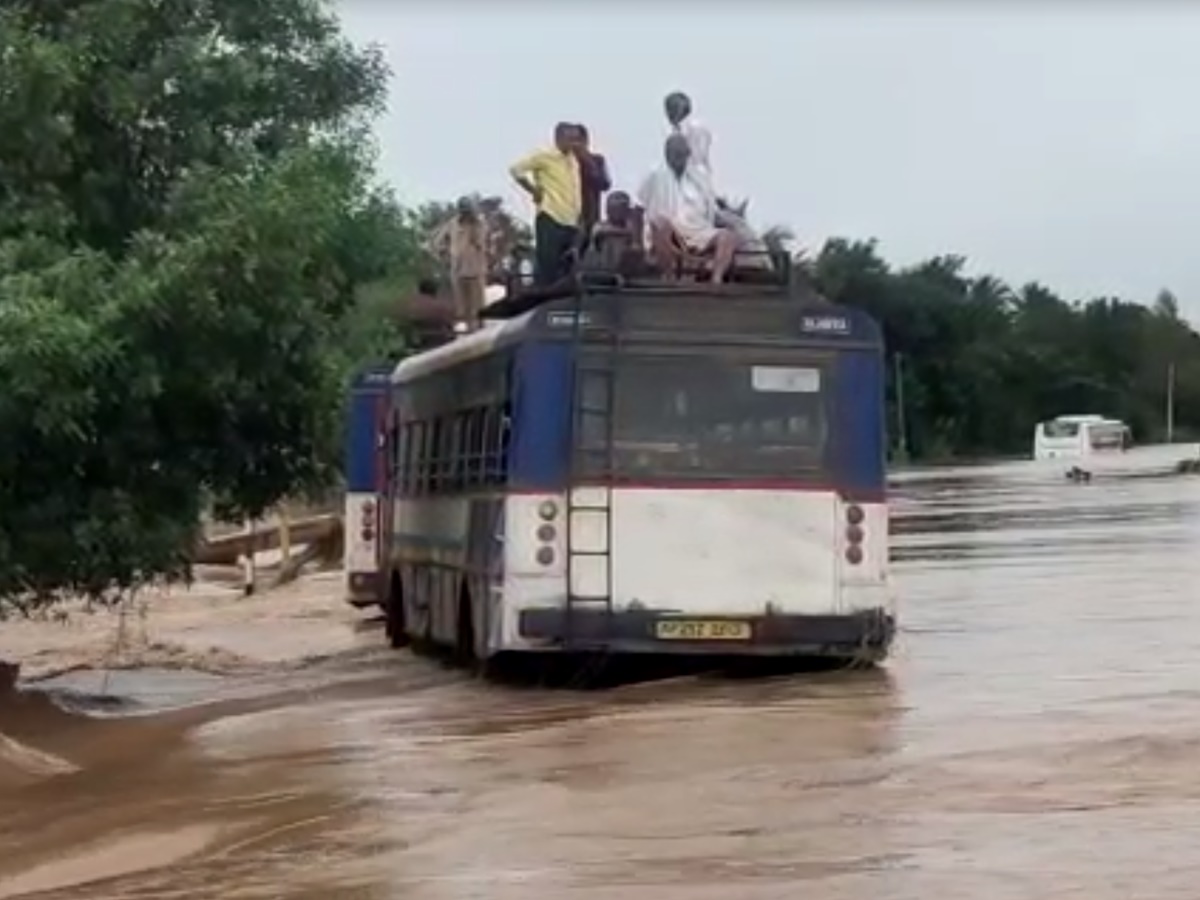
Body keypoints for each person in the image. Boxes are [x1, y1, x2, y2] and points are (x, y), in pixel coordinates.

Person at [638, 134, 737, 283]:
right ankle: (669, 276)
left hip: (697, 230)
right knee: (659, 223)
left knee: (728, 237)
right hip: (668, 230)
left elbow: (712, 208)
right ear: (667, 154)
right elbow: (638, 206)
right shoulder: (654, 175)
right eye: (676, 153)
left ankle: (716, 280)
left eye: (683, 153)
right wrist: (637, 242)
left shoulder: (699, 177)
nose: (680, 158)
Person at [509, 122, 582, 286]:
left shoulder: (573, 160)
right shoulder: (545, 156)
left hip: (571, 220)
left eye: (576, 139)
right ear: (558, 138)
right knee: (548, 268)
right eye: (570, 139)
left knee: (567, 269)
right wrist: (533, 190)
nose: (574, 143)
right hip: (551, 216)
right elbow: (516, 169)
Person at [428, 196, 489, 327]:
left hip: (476, 269)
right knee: (462, 306)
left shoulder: (479, 223)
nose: (467, 214)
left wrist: (474, 227)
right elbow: (437, 243)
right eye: (464, 211)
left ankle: (479, 327)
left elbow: (481, 242)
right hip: (458, 270)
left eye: (469, 211)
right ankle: (468, 328)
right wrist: (445, 256)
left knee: (478, 305)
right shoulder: (452, 224)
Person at [572, 123, 612, 241]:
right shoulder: (563, 164)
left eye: (577, 140)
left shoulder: (597, 160)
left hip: (590, 217)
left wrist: (587, 161)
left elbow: (605, 184)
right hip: (567, 218)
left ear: (585, 141)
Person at [664, 91, 713, 177]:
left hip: (696, 175)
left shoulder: (697, 128)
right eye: (668, 109)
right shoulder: (672, 132)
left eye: (674, 108)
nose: (669, 113)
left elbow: (699, 157)